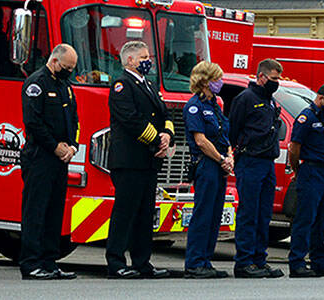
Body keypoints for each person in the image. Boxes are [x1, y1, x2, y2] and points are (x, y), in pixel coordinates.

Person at [105, 40, 173, 279]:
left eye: (149, 57)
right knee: (125, 212)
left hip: (148, 161)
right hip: (129, 161)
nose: (149, 61)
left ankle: (142, 262)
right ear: (130, 60)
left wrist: (168, 135)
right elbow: (131, 119)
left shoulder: (150, 85)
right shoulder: (122, 85)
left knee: (145, 214)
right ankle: (116, 262)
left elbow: (165, 114)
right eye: (144, 58)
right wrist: (156, 141)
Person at [19, 44, 80, 280]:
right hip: (40, 157)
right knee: (36, 211)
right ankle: (31, 263)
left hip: (61, 159)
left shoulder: (65, 85)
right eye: (67, 67)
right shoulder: (36, 84)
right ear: (54, 61)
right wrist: (55, 146)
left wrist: (72, 146)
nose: (69, 72)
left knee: (54, 212)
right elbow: (33, 122)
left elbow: (73, 119)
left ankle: (49, 261)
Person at [229, 58, 285, 279]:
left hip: (267, 162)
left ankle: (259, 260)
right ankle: (243, 262)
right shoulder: (246, 99)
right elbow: (234, 129)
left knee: (264, 215)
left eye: (278, 78)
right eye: (273, 78)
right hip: (251, 160)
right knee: (249, 213)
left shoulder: (269, 100)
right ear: (261, 77)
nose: (276, 82)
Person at [286, 83, 324, 278]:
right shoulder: (306, 117)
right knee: (305, 218)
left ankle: (320, 262)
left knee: (322, 219)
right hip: (310, 170)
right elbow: (294, 147)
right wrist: (296, 169)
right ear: (320, 98)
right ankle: (297, 263)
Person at [183, 61, 231, 278]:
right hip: (206, 164)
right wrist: (222, 158)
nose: (220, 83)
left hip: (219, 164)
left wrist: (229, 156)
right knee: (203, 213)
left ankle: (206, 260)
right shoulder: (195, 106)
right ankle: (194, 263)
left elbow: (223, 135)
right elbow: (201, 140)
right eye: (216, 79)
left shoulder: (215, 106)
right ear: (205, 81)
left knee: (214, 214)